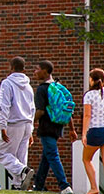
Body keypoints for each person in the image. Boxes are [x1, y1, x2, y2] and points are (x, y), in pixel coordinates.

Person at [32, 60, 73, 194]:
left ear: (45, 71)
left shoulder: (42, 89)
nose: (35, 72)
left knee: (52, 155)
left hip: (46, 127)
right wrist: (71, 129)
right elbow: (67, 109)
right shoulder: (58, 86)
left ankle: (64, 186)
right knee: (46, 157)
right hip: (58, 127)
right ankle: (38, 187)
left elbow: (41, 111)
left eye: (37, 69)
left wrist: (30, 123)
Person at [0, 56, 36, 190]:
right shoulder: (28, 86)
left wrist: (2, 126)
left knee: (3, 153)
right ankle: (18, 185)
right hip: (27, 123)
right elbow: (32, 108)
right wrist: (31, 129)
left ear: (11, 67)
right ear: (24, 69)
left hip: (13, 123)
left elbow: (4, 105)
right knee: (21, 155)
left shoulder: (7, 83)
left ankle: (23, 171)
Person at [80, 69, 104, 194]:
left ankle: (94, 188)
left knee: (86, 159)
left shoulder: (89, 95)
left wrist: (84, 133)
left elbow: (87, 115)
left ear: (91, 79)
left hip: (96, 129)